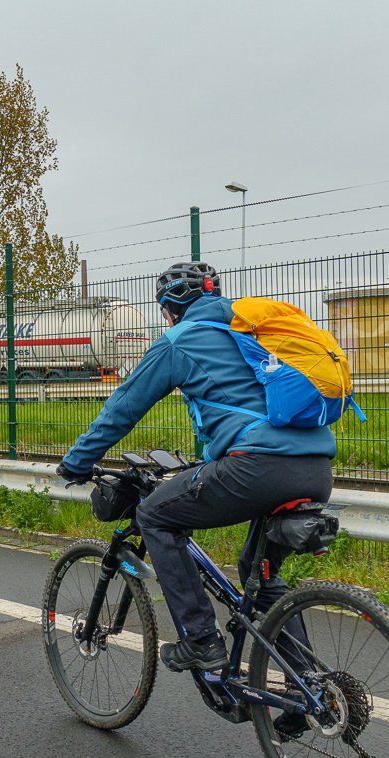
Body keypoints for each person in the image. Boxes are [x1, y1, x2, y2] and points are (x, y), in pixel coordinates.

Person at [56, 262, 335, 674]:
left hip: (258, 466)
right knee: (257, 574)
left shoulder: (179, 339)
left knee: (154, 516)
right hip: (316, 468)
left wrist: (77, 461)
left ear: (170, 308)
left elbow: (123, 408)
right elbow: (243, 403)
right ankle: (310, 685)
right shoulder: (248, 329)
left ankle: (200, 639)